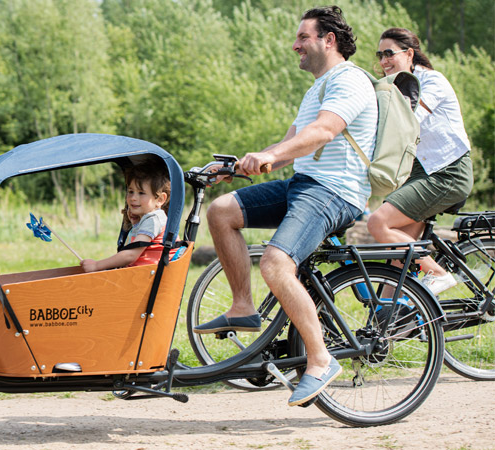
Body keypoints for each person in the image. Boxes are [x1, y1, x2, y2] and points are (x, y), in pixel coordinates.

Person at [194, 5, 377, 407]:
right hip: (304, 184)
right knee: (221, 211)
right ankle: (243, 305)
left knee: (276, 263)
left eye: (302, 38)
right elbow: (287, 149)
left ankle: (320, 359)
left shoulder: (351, 81)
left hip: (334, 191)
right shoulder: (317, 88)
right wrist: (238, 167)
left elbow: (323, 132)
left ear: (329, 40)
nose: (295, 45)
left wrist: (269, 156)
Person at [367, 27, 474, 295]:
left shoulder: (431, 82)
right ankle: (388, 326)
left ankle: (437, 273)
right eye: (380, 55)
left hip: (447, 173)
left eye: (389, 54)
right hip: (421, 175)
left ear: (410, 54)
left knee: (378, 224)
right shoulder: (393, 89)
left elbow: (407, 123)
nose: (383, 61)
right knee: (398, 255)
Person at [81, 162, 172, 272]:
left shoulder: (153, 220)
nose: (133, 198)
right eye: (130, 191)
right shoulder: (149, 219)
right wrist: (135, 224)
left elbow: (131, 255)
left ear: (160, 199)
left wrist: (97, 265)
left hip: (144, 278)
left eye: (141, 193)